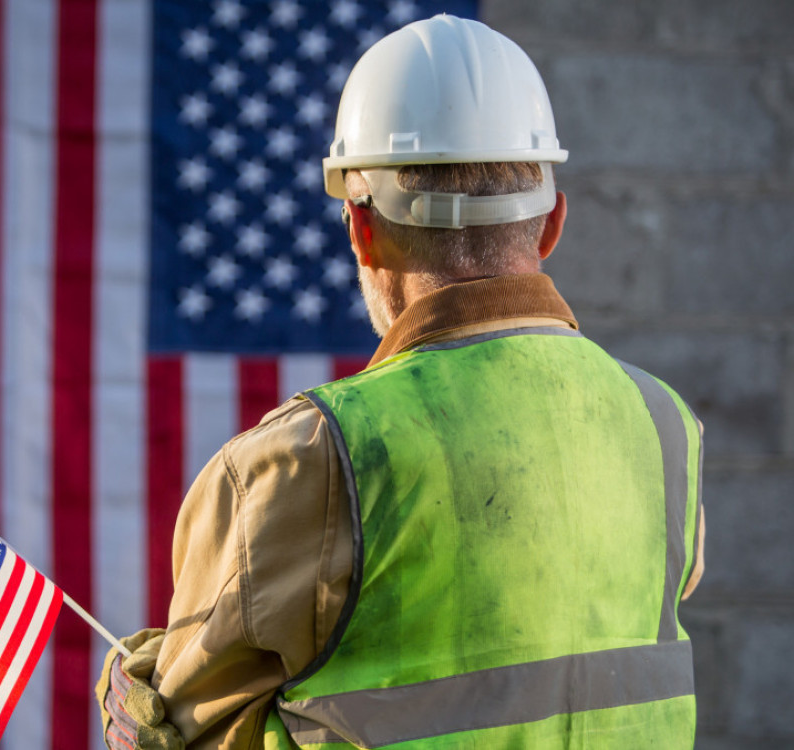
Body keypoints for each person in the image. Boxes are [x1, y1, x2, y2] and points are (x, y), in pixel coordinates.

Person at [96, 15, 706, 749]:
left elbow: (191, 733)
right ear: (550, 227)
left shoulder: (309, 458)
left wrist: (137, 723)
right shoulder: (664, 425)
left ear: (361, 227)